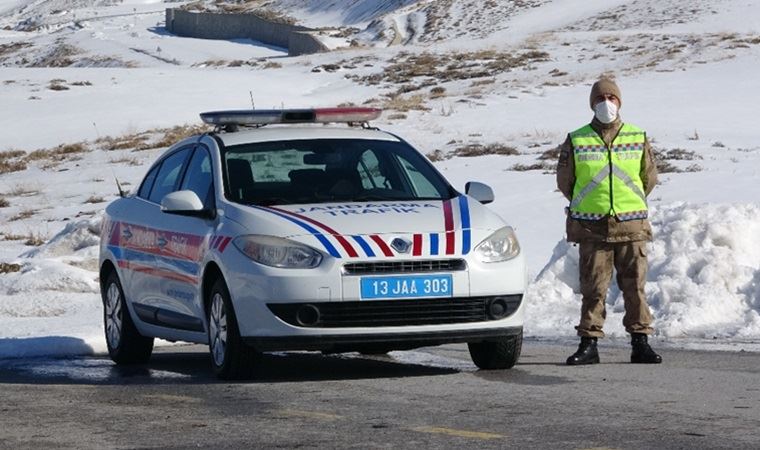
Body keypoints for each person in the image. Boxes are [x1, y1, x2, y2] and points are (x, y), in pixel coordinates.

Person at [556, 77, 662, 365]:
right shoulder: (577, 139)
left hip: (631, 227)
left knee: (635, 288)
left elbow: (648, 178)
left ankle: (641, 343)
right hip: (593, 227)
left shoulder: (637, 136)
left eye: (611, 98)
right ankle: (589, 343)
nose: (606, 103)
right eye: (600, 98)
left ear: (619, 102)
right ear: (592, 103)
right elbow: (566, 182)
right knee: (593, 288)